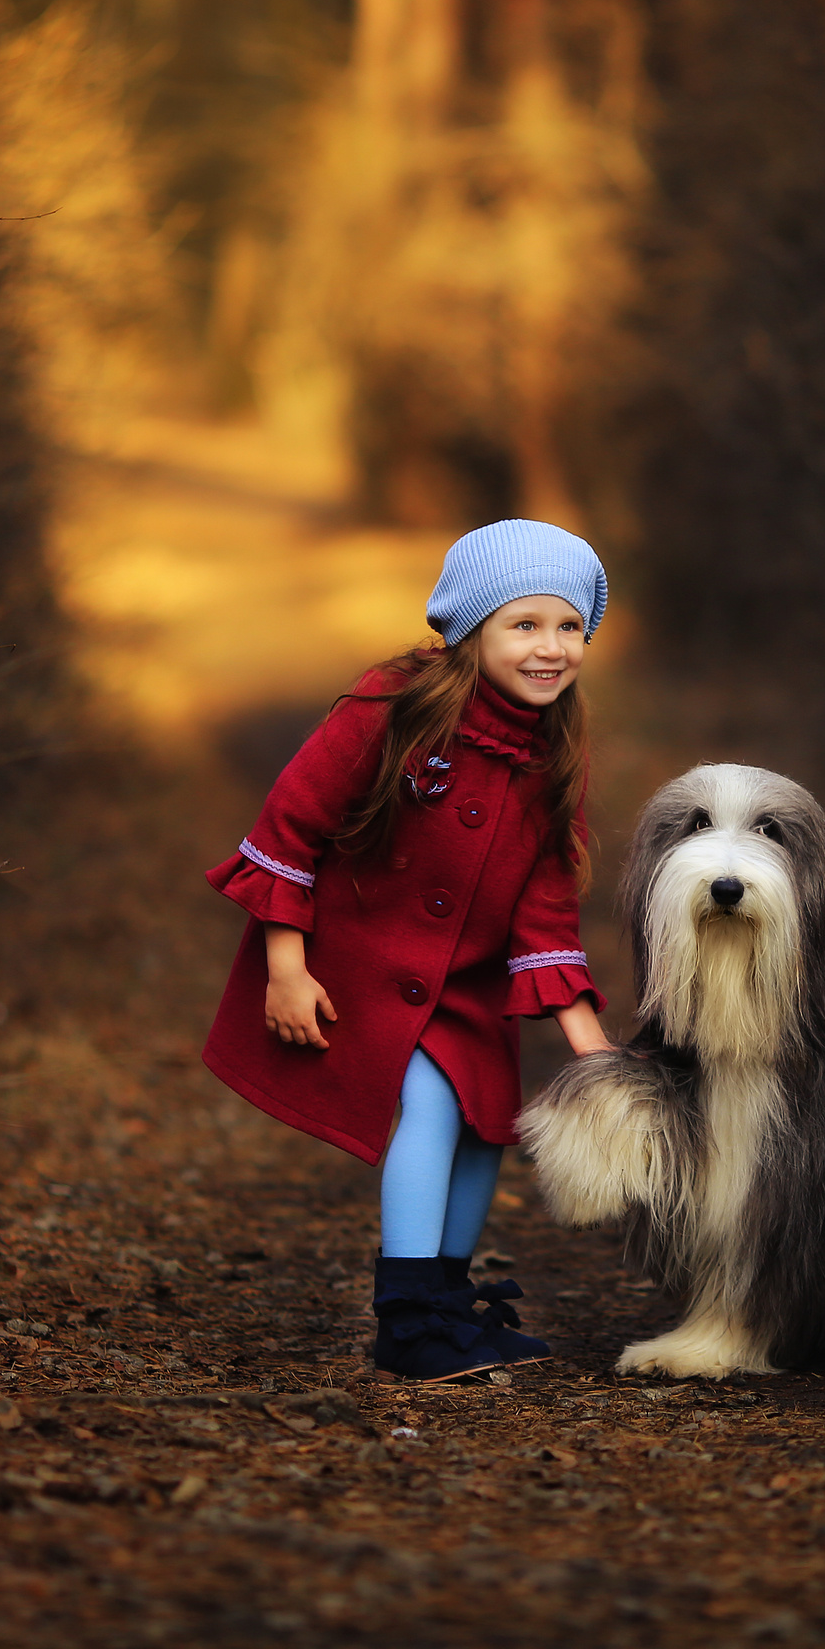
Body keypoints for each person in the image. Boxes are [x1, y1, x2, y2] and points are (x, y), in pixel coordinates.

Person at [200, 519, 613, 1382]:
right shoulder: (393, 705)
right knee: (430, 1108)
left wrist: (596, 1054)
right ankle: (406, 1319)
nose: (551, 648)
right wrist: (286, 966)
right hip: (360, 962)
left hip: (465, 985)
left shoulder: (553, 754)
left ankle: (446, 1301)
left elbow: (546, 911)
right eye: (525, 624)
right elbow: (294, 822)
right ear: (469, 628)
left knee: (486, 1123)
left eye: (569, 626)